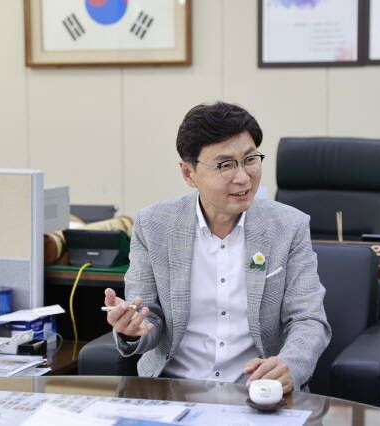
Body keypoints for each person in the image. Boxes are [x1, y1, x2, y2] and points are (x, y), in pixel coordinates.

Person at [104, 101, 331, 393]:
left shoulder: (288, 226)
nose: (243, 177)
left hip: (258, 393)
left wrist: (290, 364)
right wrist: (132, 330)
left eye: (250, 159)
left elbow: (308, 319)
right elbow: (149, 316)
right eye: (225, 165)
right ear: (189, 174)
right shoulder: (153, 225)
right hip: (173, 393)